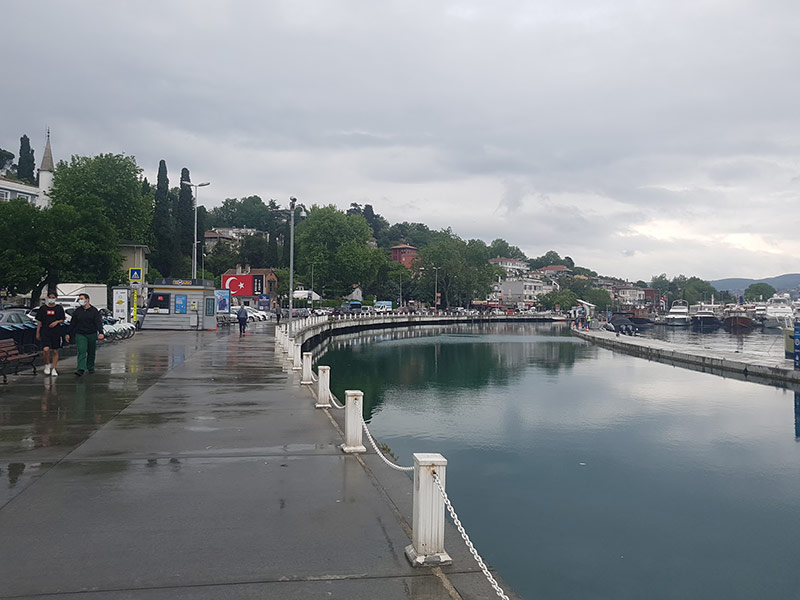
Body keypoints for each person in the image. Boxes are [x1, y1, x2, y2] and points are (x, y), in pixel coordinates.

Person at [65, 293, 104, 376]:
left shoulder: (94, 311)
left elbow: (98, 322)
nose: (80, 301)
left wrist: (100, 332)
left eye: (82, 299)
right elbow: (73, 323)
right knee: (82, 350)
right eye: (79, 299)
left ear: (87, 300)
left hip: (91, 333)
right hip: (80, 334)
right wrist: (68, 333)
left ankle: (90, 367)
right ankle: (81, 368)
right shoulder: (78, 311)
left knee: (91, 351)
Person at [36, 291, 66, 377]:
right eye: (50, 297)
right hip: (45, 331)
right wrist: (37, 332)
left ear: (56, 298)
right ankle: (47, 364)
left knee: (55, 350)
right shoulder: (43, 309)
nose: (51, 299)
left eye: (53, 298)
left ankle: (54, 368)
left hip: (56, 332)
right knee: (46, 349)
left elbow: (62, 319)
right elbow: (39, 321)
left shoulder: (59, 308)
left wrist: (57, 322)